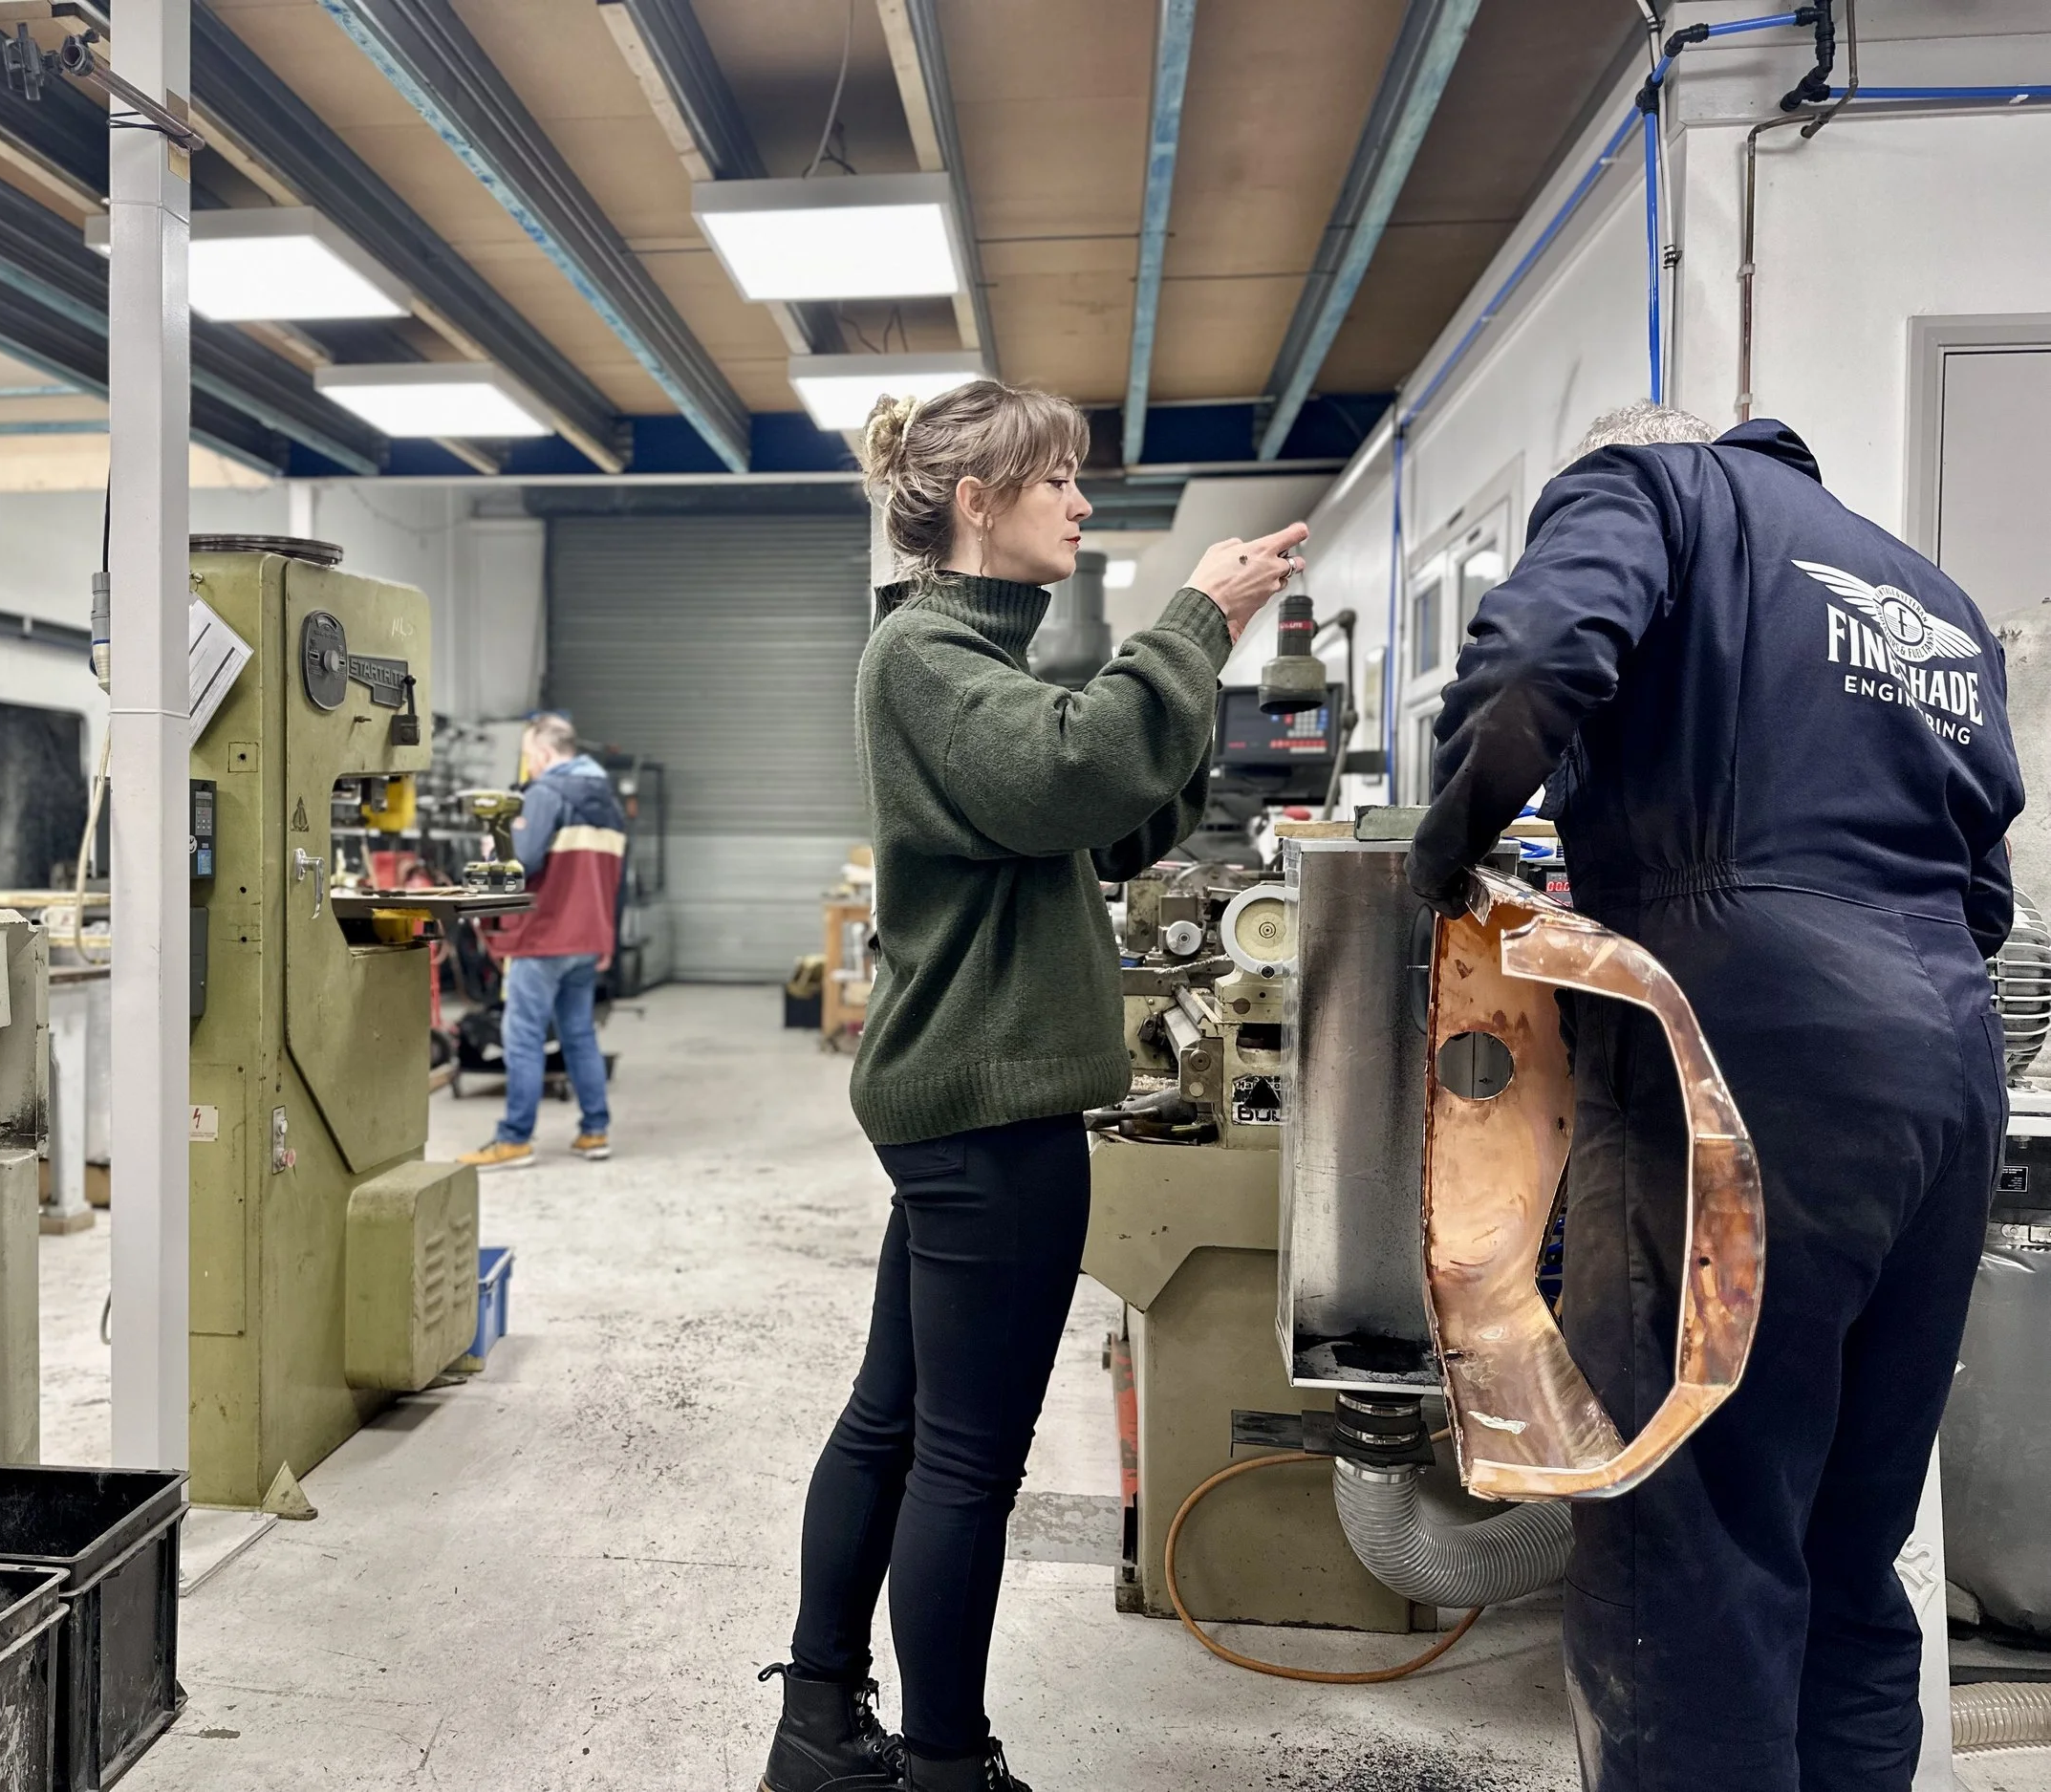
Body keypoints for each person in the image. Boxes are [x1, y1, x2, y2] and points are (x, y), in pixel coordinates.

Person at [1407, 403, 2025, 1792]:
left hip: (1733, 1044)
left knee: (1687, 1538)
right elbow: (1985, 882)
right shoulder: (1927, 593)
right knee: (1843, 1552)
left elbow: (1534, 669)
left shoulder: (1648, 485)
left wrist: (1445, 847)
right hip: (1944, 1059)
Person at [757, 378, 1306, 1792]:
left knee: (896, 1418)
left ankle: (819, 1726)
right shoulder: (927, 655)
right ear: (978, 505)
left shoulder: (962, 659)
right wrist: (1192, 623)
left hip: (968, 1101)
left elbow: (1101, 822)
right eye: (1056, 477)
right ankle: (948, 1758)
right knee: (969, 1460)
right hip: (988, 1111)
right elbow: (1073, 771)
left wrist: (1197, 683)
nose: (1080, 499)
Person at [460, 714, 628, 1172]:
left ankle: (514, 1138)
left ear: (547, 755)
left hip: (545, 935)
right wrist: (607, 936)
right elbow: (619, 883)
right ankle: (595, 1131)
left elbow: (522, 862)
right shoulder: (609, 805)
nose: (529, 767)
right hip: (588, 939)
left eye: (531, 758)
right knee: (578, 1033)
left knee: (523, 1036)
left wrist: (493, 849)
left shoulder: (546, 795)